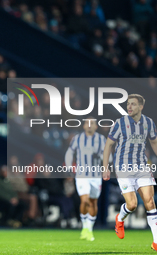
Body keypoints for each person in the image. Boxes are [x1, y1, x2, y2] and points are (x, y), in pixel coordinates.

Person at [103, 94, 157, 251]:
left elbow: (153, 141)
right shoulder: (120, 123)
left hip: (141, 166)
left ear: (141, 107)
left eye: (133, 104)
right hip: (123, 167)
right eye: (128, 104)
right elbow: (108, 145)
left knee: (150, 202)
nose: (129, 107)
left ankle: (156, 242)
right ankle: (120, 219)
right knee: (132, 205)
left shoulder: (148, 123)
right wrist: (105, 167)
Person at [65, 117, 108, 241]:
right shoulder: (77, 138)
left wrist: (101, 156)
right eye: (87, 123)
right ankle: (85, 227)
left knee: (93, 202)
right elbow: (69, 152)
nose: (89, 125)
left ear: (96, 126)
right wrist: (69, 167)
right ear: (84, 126)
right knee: (85, 200)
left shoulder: (101, 139)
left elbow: (108, 157)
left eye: (92, 123)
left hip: (96, 176)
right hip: (82, 175)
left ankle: (89, 228)